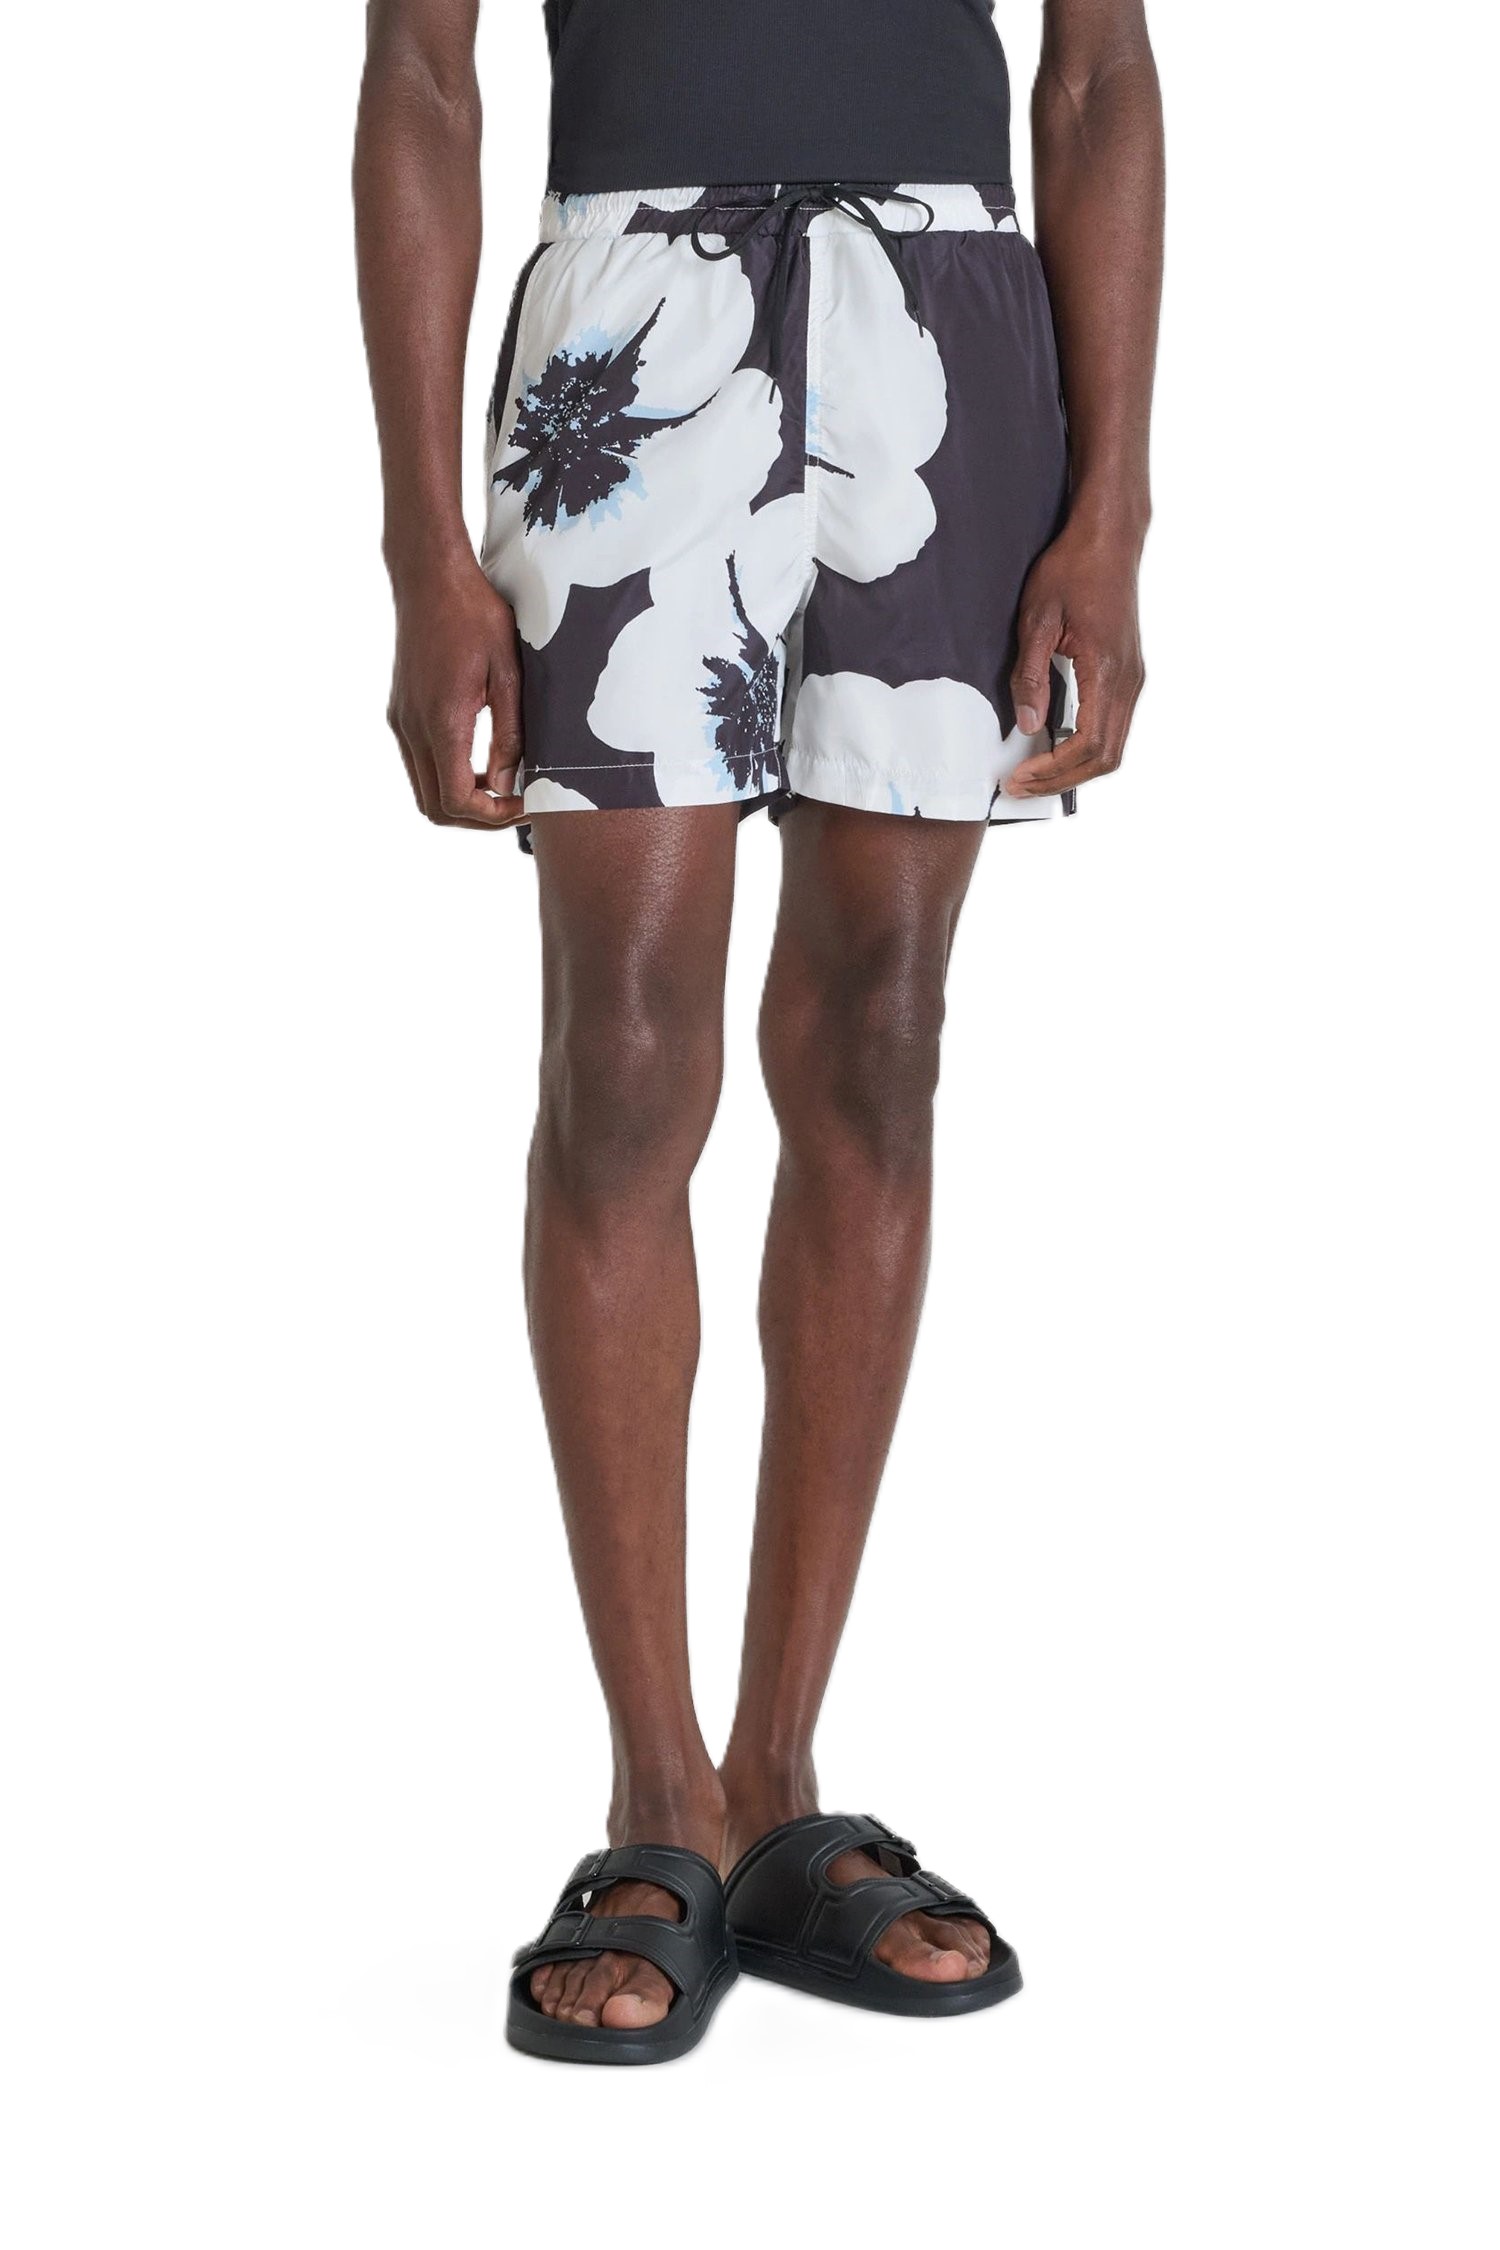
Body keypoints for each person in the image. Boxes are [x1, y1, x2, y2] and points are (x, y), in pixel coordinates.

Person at [355, 0, 1163, 2064]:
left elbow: (1096, 71)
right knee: (623, 1058)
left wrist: (1112, 514)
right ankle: (659, 1795)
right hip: (631, 299)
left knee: (884, 1041)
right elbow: (423, 72)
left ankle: (779, 1782)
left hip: (947, 306)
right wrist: (423, 554)